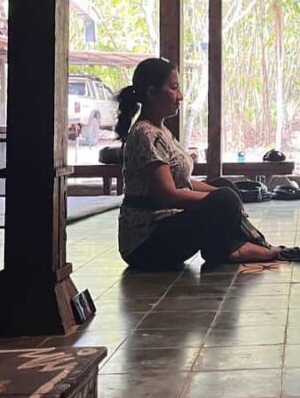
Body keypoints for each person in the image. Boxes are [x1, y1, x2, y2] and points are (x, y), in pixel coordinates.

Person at [116, 57, 280, 270]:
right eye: (174, 88)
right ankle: (229, 250)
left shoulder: (161, 132)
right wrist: (220, 201)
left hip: (165, 229)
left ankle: (227, 246)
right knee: (225, 199)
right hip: (146, 244)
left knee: (226, 188)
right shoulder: (145, 134)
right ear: (152, 93)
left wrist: (221, 194)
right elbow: (167, 195)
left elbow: (182, 181)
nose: (180, 96)